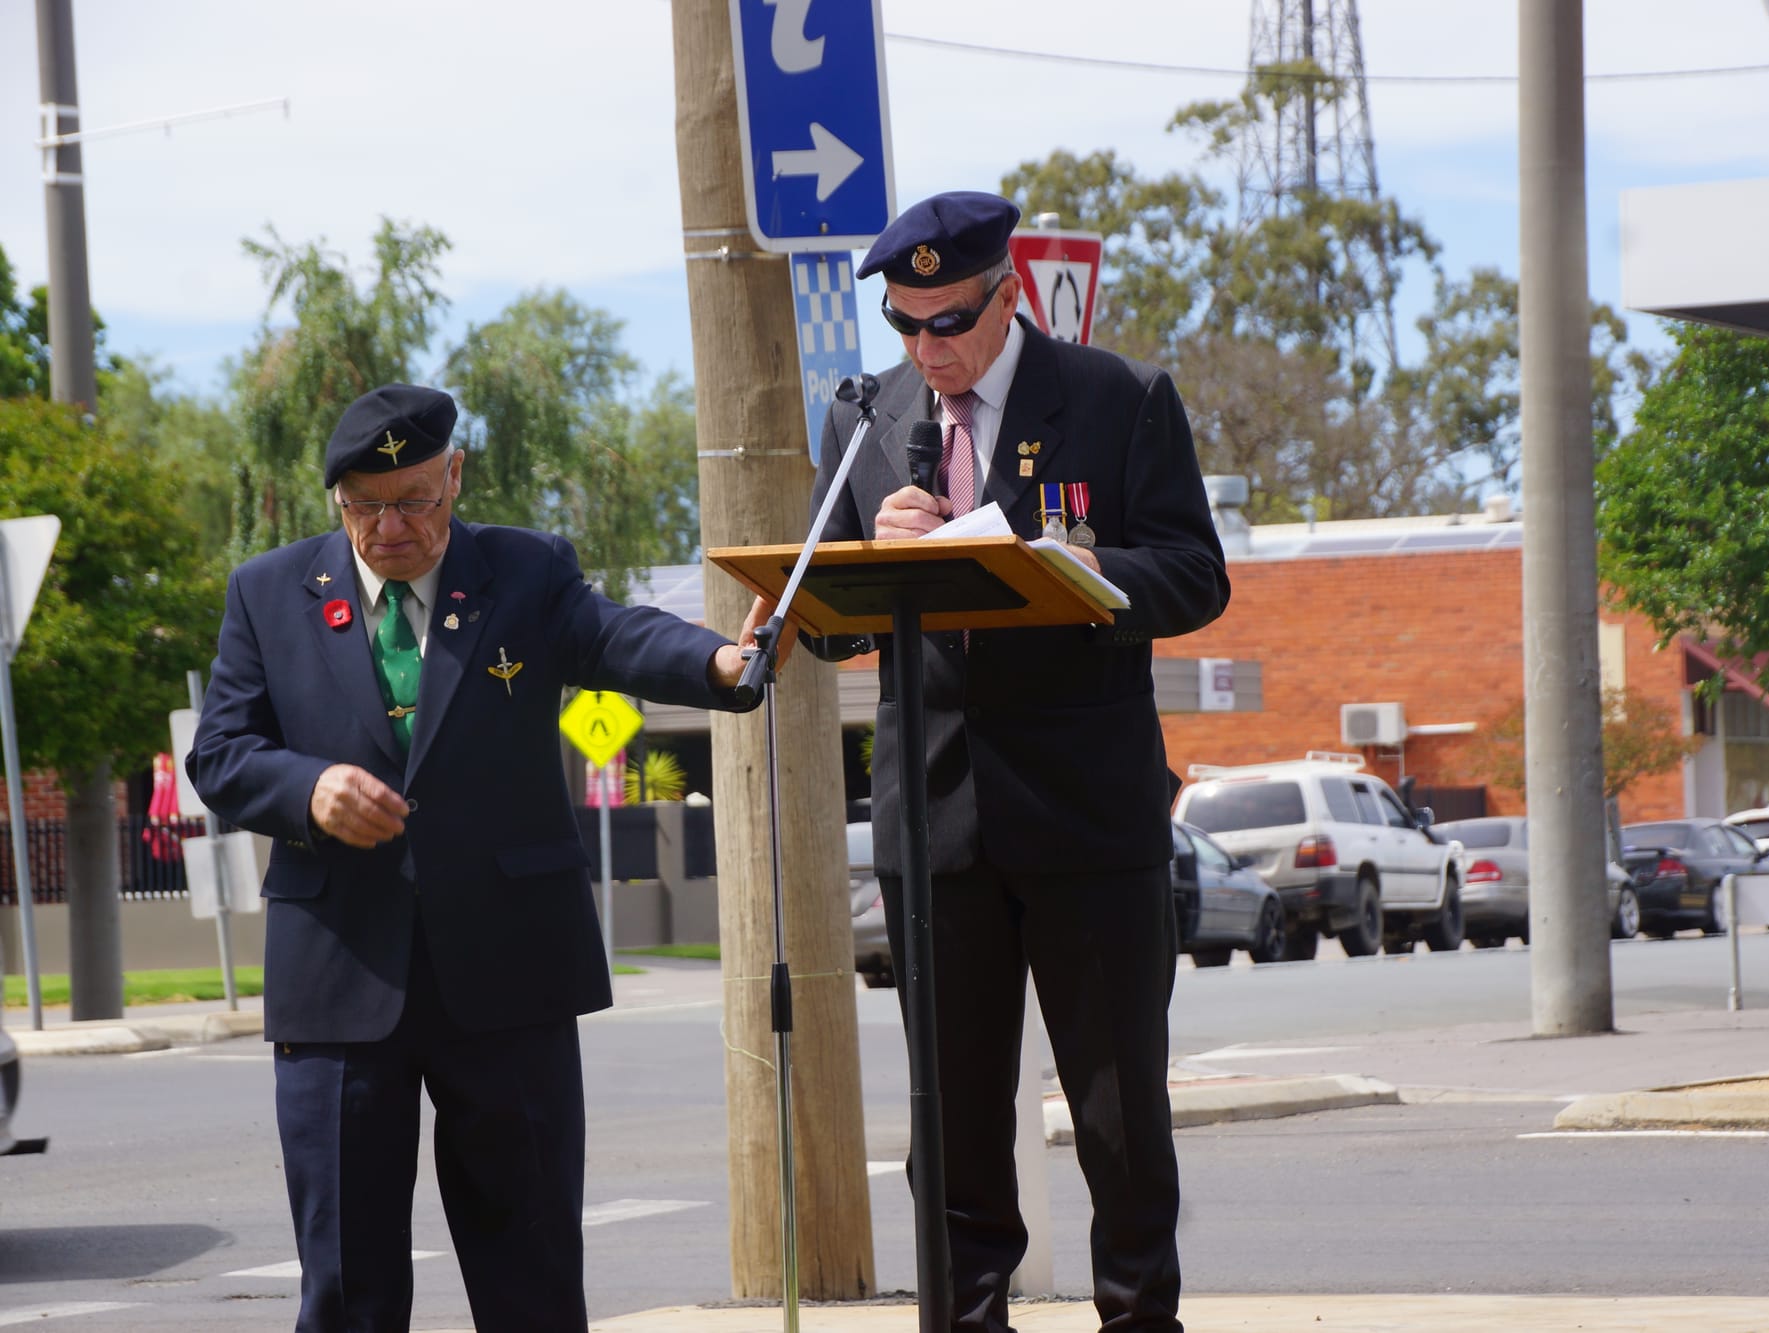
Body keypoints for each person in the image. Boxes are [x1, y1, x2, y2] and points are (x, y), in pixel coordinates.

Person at [187, 384, 768, 1333]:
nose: (391, 527)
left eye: (414, 498)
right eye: (366, 506)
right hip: (340, 975)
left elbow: (613, 634)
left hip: (510, 973)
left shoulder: (523, 570)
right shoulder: (268, 591)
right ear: (336, 500)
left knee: (531, 1273)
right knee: (345, 1287)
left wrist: (717, 664)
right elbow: (220, 752)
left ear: (455, 475)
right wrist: (308, 790)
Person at [775, 191, 1229, 1331]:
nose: (926, 349)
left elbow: (1194, 574)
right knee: (953, 1126)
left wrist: (1064, 574)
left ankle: (1138, 1315)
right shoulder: (863, 418)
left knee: (1120, 1120)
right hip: (933, 825)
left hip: (1086, 820)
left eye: (949, 321)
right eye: (904, 322)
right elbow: (824, 620)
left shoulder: (1115, 399)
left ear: (1007, 292)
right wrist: (872, 562)